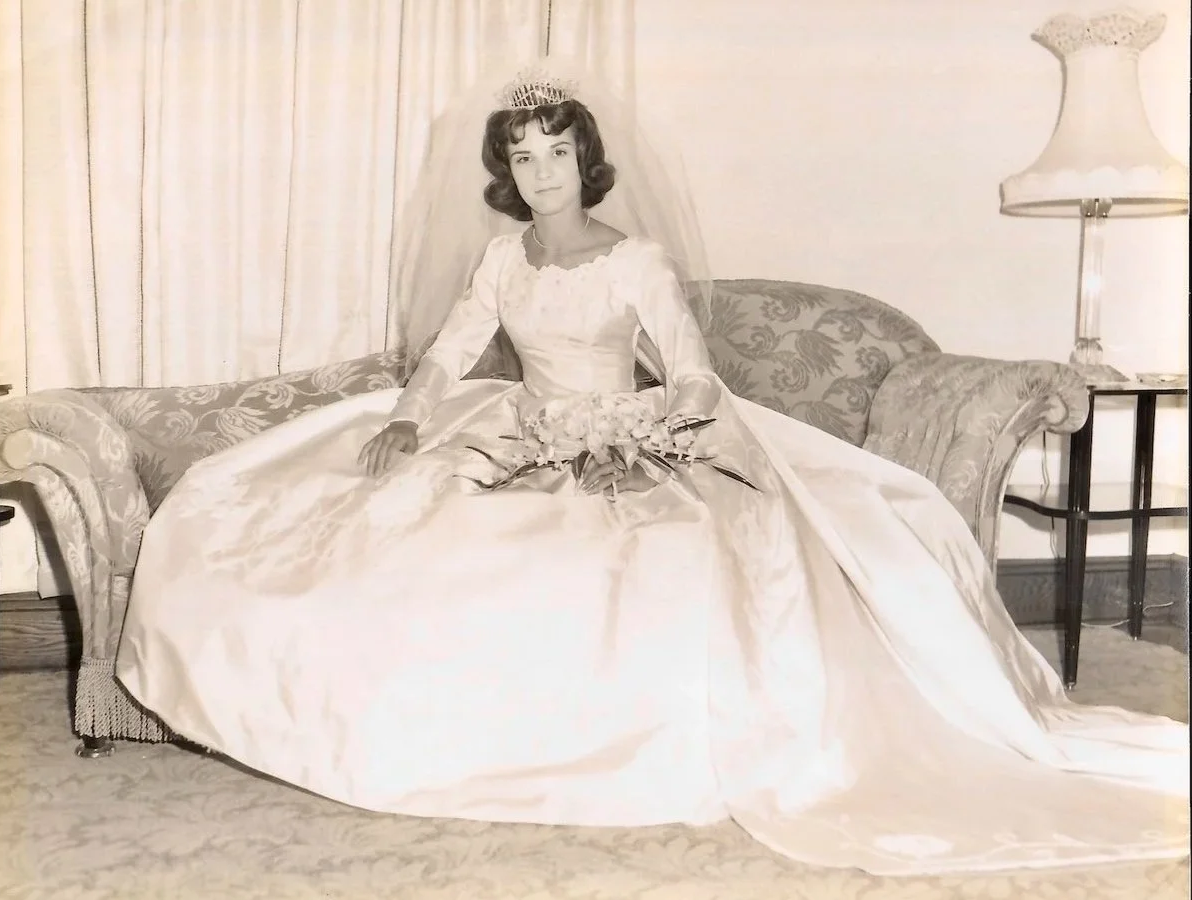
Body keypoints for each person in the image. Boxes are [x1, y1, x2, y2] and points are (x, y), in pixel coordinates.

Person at [115, 59, 1189, 876]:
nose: (542, 173)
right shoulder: (501, 257)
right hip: (515, 425)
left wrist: (636, 434)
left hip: (626, 436)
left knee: (653, 568)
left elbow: (690, 375)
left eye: (557, 153)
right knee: (372, 526)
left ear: (588, 161)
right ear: (507, 170)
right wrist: (409, 418)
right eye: (523, 156)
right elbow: (449, 351)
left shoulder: (634, 261)